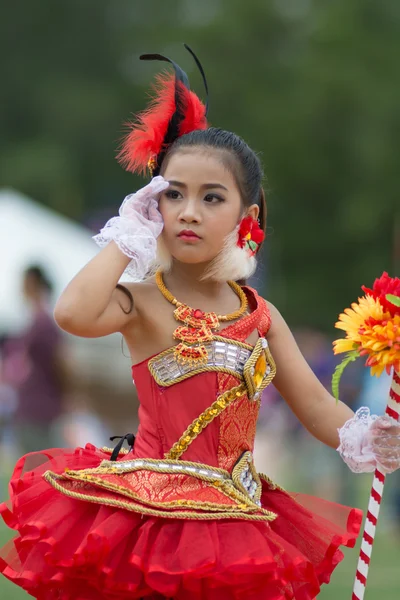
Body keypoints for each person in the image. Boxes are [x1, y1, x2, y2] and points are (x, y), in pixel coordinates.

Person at [1, 46, 400, 600]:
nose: (188, 211)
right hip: (151, 523)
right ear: (151, 206)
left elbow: (315, 407)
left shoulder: (260, 315)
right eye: (172, 195)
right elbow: (73, 313)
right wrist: (127, 237)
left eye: (212, 197)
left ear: (246, 216)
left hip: (239, 524)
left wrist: (370, 435)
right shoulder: (141, 301)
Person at [3, 265, 65, 454]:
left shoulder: (43, 323)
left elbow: (62, 363)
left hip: (39, 409)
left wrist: (69, 395)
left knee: (36, 467)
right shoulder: (33, 321)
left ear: (33, 284)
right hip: (30, 407)